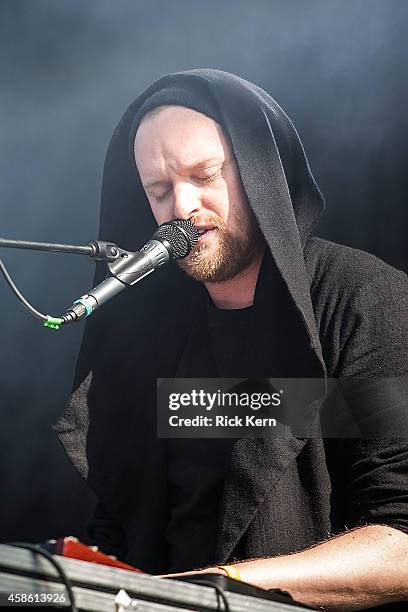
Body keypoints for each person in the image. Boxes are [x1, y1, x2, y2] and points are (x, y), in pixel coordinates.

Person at [54, 70, 408, 610]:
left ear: (261, 174)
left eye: (205, 174)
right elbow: (121, 527)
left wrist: (210, 590)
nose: (182, 206)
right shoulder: (149, 336)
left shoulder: (360, 299)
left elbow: (400, 544)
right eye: (159, 190)